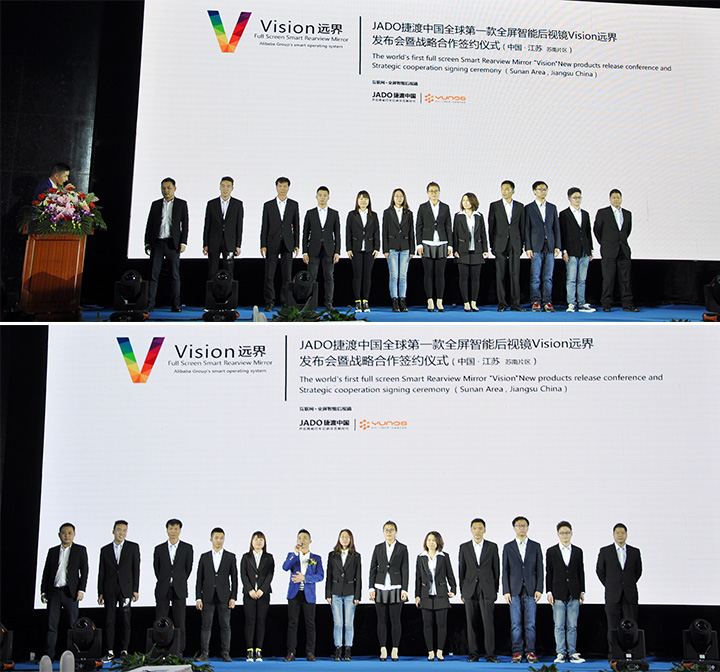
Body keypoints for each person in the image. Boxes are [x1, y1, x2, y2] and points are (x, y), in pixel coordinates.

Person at [40, 523, 89, 659]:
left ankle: (74, 656)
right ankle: (48, 656)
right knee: (51, 626)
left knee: (73, 625)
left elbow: (84, 571)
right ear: (59, 535)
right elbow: (46, 572)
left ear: (74, 534)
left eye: (69, 533)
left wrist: (81, 589)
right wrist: (43, 591)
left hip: (71, 593)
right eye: (64, 533)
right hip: (54, 592)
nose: (66, 535)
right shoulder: (53, 551)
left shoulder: (80, 550)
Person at [596, 523, 642, 656]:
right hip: (612, 594)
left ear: (626, 535)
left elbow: (638, 571)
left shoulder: (634, 551)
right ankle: (614, 654)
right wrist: (611, 585)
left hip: (630, 594)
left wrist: (627, 584)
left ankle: (630, 653)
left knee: (631, 625)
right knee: (613, 626)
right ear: (613, 535)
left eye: (622, 533)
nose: (620, 535)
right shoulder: (605, 551)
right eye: (617, 533)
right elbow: (600, 571)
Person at [97, 520, 140, 662]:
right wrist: (100, 592)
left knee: (125, 621)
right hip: (109, 589)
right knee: (109, 620)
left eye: (124, 530)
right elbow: (101, 572)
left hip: (126, 589)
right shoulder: (105, 549)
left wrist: (135, 589)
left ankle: (124, 651)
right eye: (119, 530)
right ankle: (110, 651)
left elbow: (136, 569)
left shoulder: (133, 547)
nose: (122, 533)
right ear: (113, 531)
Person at [502, 516, 543, 664]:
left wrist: (539, 588)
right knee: (515, 624)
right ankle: (517, 652)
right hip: (514, 590)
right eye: (518, 525)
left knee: (530, 624)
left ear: (528, 527)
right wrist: (506, 590)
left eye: (524, 525)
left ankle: (531, 652)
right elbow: (505, 570)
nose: (521, 528)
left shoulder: (535, 546)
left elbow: (540, 569)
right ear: (514, 528)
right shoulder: (508, 547)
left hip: (531, 590)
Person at [144, 177, 189, 312]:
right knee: (153, 274)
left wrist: (183, 242)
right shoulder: (156, 204)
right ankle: (150, 304)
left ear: (174, 189)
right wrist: (147, 242)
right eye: (163, 188)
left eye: (169, 188)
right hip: (157, 242)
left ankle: (175, 304)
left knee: (175, 275)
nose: (166, 190)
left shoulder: (181, 204)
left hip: (172, 243)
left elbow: (185, 225)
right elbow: (150, 224)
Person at [458, 518, 499, 663]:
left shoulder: (492, 547)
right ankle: (473, 654)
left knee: (488, 623)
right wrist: (463, 591)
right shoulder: (464, 547)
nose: (477, 531)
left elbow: (496, 570)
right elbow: (461, 570)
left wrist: (495, 590)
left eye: (480, 528)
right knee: (471, 623)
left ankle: (490, 655)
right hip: (469, 589)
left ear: (485, 530)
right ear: (471, 530)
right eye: (475, 528)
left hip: (487, 589)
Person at [195, 527, 238, 662]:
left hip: (224, 596)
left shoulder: (230, 556)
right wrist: (198, 597)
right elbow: (199, 578)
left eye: (221, 538)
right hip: (207, 596)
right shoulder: (204, 557)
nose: (219, 540)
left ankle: (225, 653)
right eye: (216, 538)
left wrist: (233, 597)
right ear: (211, 539)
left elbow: (235, 578)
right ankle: (204, 653)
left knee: (225, 625)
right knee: (206, 626)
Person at [546, 521, 585, 664]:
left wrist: (582, 591)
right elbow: (549, 572)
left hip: (574, 592)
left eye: (567, 532)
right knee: (559, 625)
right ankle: (561, 653)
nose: (565, 535)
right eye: (562, 533)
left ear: (571, 533)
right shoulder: (551, 551)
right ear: (558, 534)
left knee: (572, 625)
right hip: (558, 592)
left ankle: (572, 653)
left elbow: (580, 571)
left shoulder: (578, 551)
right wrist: (549, 592)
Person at [369, 520, 409, 661]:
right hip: (380, 587)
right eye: (386, 530)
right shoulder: (378, 547)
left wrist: (405, 589)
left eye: (391, 530)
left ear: (396, 532)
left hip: (396, 587)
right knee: (381, 620)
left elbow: (405, 569)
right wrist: (371, 588)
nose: (389, 532)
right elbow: (373, 569)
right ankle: (383, 649)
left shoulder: (402, 548)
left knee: (395, 620)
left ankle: (395, 649)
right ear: (383, 532)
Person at [282, 529, 324, 661]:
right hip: (294, 594)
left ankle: (310, 652)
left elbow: (320, 576)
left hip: (309, 594)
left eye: (305, 538)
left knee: (310, 624)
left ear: (310, 541)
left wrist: (305, 578)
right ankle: (291, 652)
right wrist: (295, 553)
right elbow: (285, 567)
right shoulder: (292, 555)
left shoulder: (316, 558)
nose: (302, 540)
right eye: (300, 538)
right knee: (292, 623)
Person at [593, 190, 638, 312]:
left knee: (625, 279)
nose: (616, 199)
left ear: (621, 199)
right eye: (614, 197)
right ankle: (606, 304)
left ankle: (627, 304)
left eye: (618, 197)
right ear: (610, 199)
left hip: (623, 250)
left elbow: (627, 231)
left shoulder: (627, 213)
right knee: (608, 279)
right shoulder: (603, 212)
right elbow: (597, 230)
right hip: (609, 250)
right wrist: (606, 243)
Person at [153, 518, 193, 654]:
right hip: (163, 588)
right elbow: (157, 569)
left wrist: (178, 580)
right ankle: (160, 649)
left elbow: (188, 569)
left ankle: (179, 650)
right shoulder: (159, 549)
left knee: (180, 622)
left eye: (176, 529)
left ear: (180, 530)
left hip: (179, 588)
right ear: (167, 530)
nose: (173, 531)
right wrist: (166, 579)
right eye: (171, 528)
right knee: (160, 621)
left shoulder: (187, 548)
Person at [415, 531, 456, 661]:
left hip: (441, 594)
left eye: (433, 540)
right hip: (425, 595)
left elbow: (450, 574)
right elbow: (418, 578)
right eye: (429, 540)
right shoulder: (421, 557)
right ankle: (430, 652)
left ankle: (440, 651)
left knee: (441, 624)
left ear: (438, 542)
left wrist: (453, 589)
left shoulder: (444, 556)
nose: (431, 543)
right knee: (427, 624)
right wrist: (417, 595)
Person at [260, 177, 299, 311]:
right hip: (272, 242)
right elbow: (264, 226)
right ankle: (270, 302)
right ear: (276, 187)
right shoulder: (268, 205)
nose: (282, 189)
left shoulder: (293, 204)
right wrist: (263, 244)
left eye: (285, 186)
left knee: (287, 276)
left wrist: (296, 244)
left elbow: (296, 225)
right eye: (280, 186)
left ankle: (285, 302)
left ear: (288, 188)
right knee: (269, 275)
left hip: (288, 243)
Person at [488, 180, 526, 311]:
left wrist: (522, 244)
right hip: (500, 243)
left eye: (507, 189)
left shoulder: (520, 206)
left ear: (513, 191)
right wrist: (492, 245)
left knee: (515, 274)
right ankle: (502, 304)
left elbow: (522, 226)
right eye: (502, 189)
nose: (504, 191)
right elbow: (491, 226)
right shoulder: (495, 206)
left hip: (515, 243)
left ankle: (515, 304)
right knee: (501, 274)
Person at [302, 186, 341, 311]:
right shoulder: (310, 213)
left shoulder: (334, 213)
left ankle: (328, 303)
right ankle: (310, 304)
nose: (322, 198)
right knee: (312, 277)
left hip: (329, 250)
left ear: (328, 197)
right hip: (313, 249)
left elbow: (337, 234)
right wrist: (304, 252)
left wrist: (337, 252)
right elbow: (305, 233)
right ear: (316, 197)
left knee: (329, 277)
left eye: (325, 195)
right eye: (320, 195)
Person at [326, 529, 362, 661]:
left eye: (347, 537)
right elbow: (329, 575)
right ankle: (338, 649)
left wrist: (357, 595)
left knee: (348, 623)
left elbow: (358, 576)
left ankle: (347, 650)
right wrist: (328, 593)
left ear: (351, 539)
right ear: (339, 539)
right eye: (342, 537)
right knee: (338, 623)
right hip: (335, 592)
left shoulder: (356, 556)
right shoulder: (332, 555)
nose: (345, 539)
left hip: (350, 592)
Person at [524, 181, 561, 312]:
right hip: (535, 246)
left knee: (548, 277)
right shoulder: (529, 208)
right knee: (535, 277)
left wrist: (557, 245)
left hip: (550, 246)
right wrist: (528, 247)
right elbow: (527, 228)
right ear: (534, 191)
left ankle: (547, 302)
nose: (543, 192)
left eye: (545, 189)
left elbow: (556, 227)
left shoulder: (552, 207)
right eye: (540, 189)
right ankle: (536, 301)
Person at [416, 182, 452, 312]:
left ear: (439, 192)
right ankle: (430, 300)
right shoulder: (423, 207)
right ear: (427, 193)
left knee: (440, 274)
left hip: (442, 242)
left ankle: (440, 301)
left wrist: (450, 245)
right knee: (428, 273)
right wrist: (419, 244)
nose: (434, 193)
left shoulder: (445, 207)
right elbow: (418, 226)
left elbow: (448, 226)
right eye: (431, 191)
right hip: (427, 242)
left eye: (436, 191)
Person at [240, 531, 274, 662]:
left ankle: (259, 650)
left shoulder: (269, 557)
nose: (258, 542)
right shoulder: (246, 557)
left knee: (261, 621)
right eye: (256, 539)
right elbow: (243, 575)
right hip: (249, 594)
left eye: (261, 540)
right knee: (250, 621)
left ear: (264, 542)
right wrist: (250, 589)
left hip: (263, 594)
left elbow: (270, 575)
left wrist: (262, 590)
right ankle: (249, 650)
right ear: (251, 542)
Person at [559, 188, 595, 312]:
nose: (577, 200)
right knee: (571, 279)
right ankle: (571, 303)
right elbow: (563, 233)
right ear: (569, 198)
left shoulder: (585, 214)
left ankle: (582, 303)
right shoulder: (564, 214)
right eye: (574, 197)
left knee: (582, 279)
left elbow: (588, 232)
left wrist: (590, 250)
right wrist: (564, 250)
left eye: (579, 197)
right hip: (571, 250)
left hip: (584, 250)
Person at [453, 193, 489, 312]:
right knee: (463, 277)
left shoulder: (479, 216)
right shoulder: (458, 216)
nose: (465, 202)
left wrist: (485, 249)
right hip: (462, 251)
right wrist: (455, 249)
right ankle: (466, 303)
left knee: (475, 278)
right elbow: (455, 234)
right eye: (464, 200)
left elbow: (483, 234)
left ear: (473, 202)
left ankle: (474, 302)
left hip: (476, 250)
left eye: (468, 200)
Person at [203, 176, 244, 280]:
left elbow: (239, 226)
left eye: (228, 186)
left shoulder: (237, 204)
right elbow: (207, 225)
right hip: (214, 241)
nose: (225, 189)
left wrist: (238, 245)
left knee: (229, 269)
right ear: (220, 187)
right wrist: (205, 243)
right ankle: (212, 290)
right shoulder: (211, 204)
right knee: (212, 270)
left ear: (232, 188)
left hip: (230, 242)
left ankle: (228, 290)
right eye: (223, 186)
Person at [346, 191, 380, 312]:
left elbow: (377, 232)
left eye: (365, 199)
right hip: (356, 249)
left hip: (369, 249)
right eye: (361, 199)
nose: (363, 201)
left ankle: (365, 301)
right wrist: (348, 248)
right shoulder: (352, 215)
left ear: (369, 201)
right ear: (357, 201)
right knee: (357, 275)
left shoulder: (373, 215)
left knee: (367, 275)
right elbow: (348, 231)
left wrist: (377, 248)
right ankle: (357, 302)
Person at [382, 188, 414, 312]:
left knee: (403, 276)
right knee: (394, 275)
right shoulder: (388, 212)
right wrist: (385, 249)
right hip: (392, 247)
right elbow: (384, 232)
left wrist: (412, 250)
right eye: (396, 196)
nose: (399, 198)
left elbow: (411, 232)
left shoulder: (408, 213)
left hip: (405, 247)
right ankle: (394, 301)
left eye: (401, 196)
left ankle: (402, 300)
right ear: (393, 198)